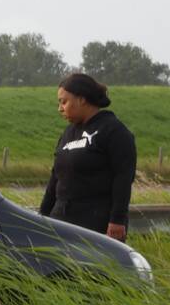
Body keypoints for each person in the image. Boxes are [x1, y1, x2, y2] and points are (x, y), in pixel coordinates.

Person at [39, 73, 136, 241]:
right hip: (60, 222)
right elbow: (56, 178)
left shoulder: (113, 131)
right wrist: (42, 216)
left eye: (64, 102)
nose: (60, 108)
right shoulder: (68, 133)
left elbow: (123, 178)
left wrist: (117, 220)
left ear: (81, 99)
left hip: (95, 223)